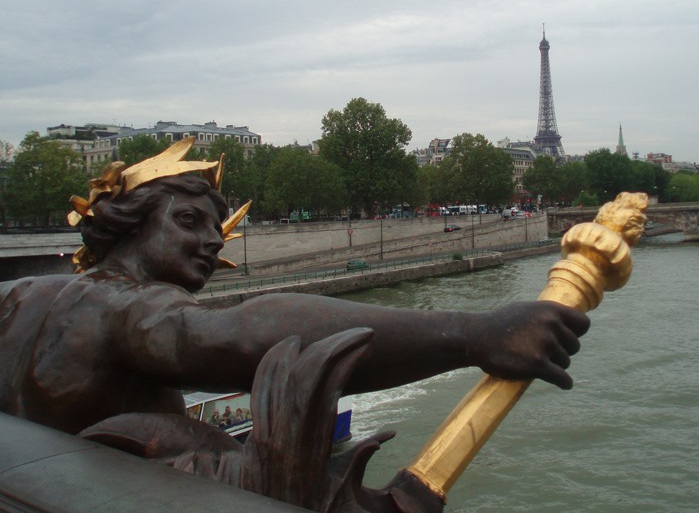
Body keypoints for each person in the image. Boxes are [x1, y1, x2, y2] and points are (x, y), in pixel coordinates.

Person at [0, 137, 589, 438]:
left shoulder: (21, 296)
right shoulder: (126, 308)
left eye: (219, 229)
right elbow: (233, 336)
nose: (213, 242)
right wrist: (471, 333)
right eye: (188, 221)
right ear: (128, 220)